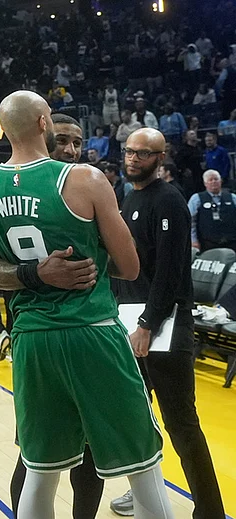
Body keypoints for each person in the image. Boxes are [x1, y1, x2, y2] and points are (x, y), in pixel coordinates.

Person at [0, 91, 174, 519]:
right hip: (92, 332)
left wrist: (23, 273)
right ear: (43, 124)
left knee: (41, 471)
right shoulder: (85, 179)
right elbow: (128, 267)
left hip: (31, 340)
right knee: (143, 465)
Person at [109, 129, 226, 519]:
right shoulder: (129, 198)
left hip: (165, 328)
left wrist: (147, 324)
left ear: (162, 157)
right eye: (129, 151)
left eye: (143, 153)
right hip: (133, 324)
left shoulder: (170, 201)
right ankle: (147, 489)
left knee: (182, 425)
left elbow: (171, 274)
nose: (133, 159)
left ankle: (209, 510)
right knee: (138, 422)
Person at [187, 169, 236, 252]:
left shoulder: (232, 197)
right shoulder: (196, 199)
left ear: (221, 181)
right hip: (207, 244)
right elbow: (191, 222)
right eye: (210, 180)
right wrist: (193, 240)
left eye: (216, 179)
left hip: (231, 242)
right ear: (205, 183)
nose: (213, 182)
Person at [176, 129, 205, 198]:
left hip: (200, 174)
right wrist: (184, 170)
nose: (194, 135)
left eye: (194, 133)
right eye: (191, 134)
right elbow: (178, 162)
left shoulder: (199, 148)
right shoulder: (182, 150)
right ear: (187, 137)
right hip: (190, 177)